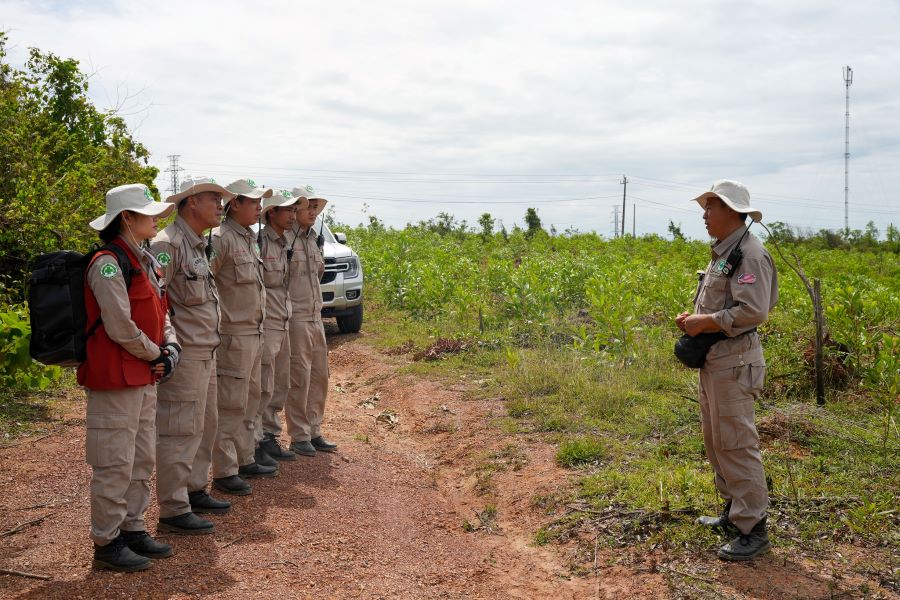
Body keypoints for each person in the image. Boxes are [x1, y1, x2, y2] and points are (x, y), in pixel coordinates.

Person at [675, 180, 778, 561]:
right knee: (717, 439)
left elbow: (754, 312)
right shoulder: (725, 252)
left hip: (735, 361)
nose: (704, 215)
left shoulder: (750, 254)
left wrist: (706, 321)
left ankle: (753, 529)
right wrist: (698, 320)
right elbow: (724, 303)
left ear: (732, 212)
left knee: (736, 442)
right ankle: (734, 512)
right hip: (717, 360)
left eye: (711, 207)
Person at [79, 183, 179, 572]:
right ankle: (107, 541)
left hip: (143, 374)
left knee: (139, 458)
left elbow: (162, 312)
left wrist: (170, 348)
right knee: (114, 461)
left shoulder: (147, 261)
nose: (156, 218)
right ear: (126, 218)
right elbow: (119, 325)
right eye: (148, 212)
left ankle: (133, 528)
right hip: (115, 377)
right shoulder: (106, 262)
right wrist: (157, 353)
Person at [151, 176, 234, 535]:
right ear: (190, 203)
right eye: (213, 198)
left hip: (207, 351)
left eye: (221, 199)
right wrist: (166, 349)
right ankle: (173, 507)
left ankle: (194, 488)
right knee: (179, 430)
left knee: (205, 424)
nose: (220, 204)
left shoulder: (198, 243)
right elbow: (156, 304)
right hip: (185, 355)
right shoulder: (166, 245)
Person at [210, 178, 276, 496]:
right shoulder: (220, 239)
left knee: (252, 399)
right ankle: (224, 470)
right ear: (234, 204)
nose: (259, 207)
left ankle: (244, 457)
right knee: (230, 403)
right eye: (253, 202)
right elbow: (204, 285)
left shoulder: (249, 237)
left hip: (254, 332)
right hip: (233, 335)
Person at [284, 185, 337, 457]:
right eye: (309, 207)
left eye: (316, 207)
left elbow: (317, 275)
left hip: (316, 316)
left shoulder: (314, 238)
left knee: (319, 376)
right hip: (296, 318)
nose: (314, 212)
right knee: (299, 377)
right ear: (296, 210)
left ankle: (315, 429)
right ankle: (299, 434)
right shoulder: (285, 239)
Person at [257, 190, 305, 463]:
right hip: (267, 321)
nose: (292, 214)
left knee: (280, 383)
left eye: (293, 210)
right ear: (271, 213)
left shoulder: (285, 241)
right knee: (264, 383)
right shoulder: (260, 242)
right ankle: (257, 440)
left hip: (283, 318)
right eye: (286, 209)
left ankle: (270, 435)